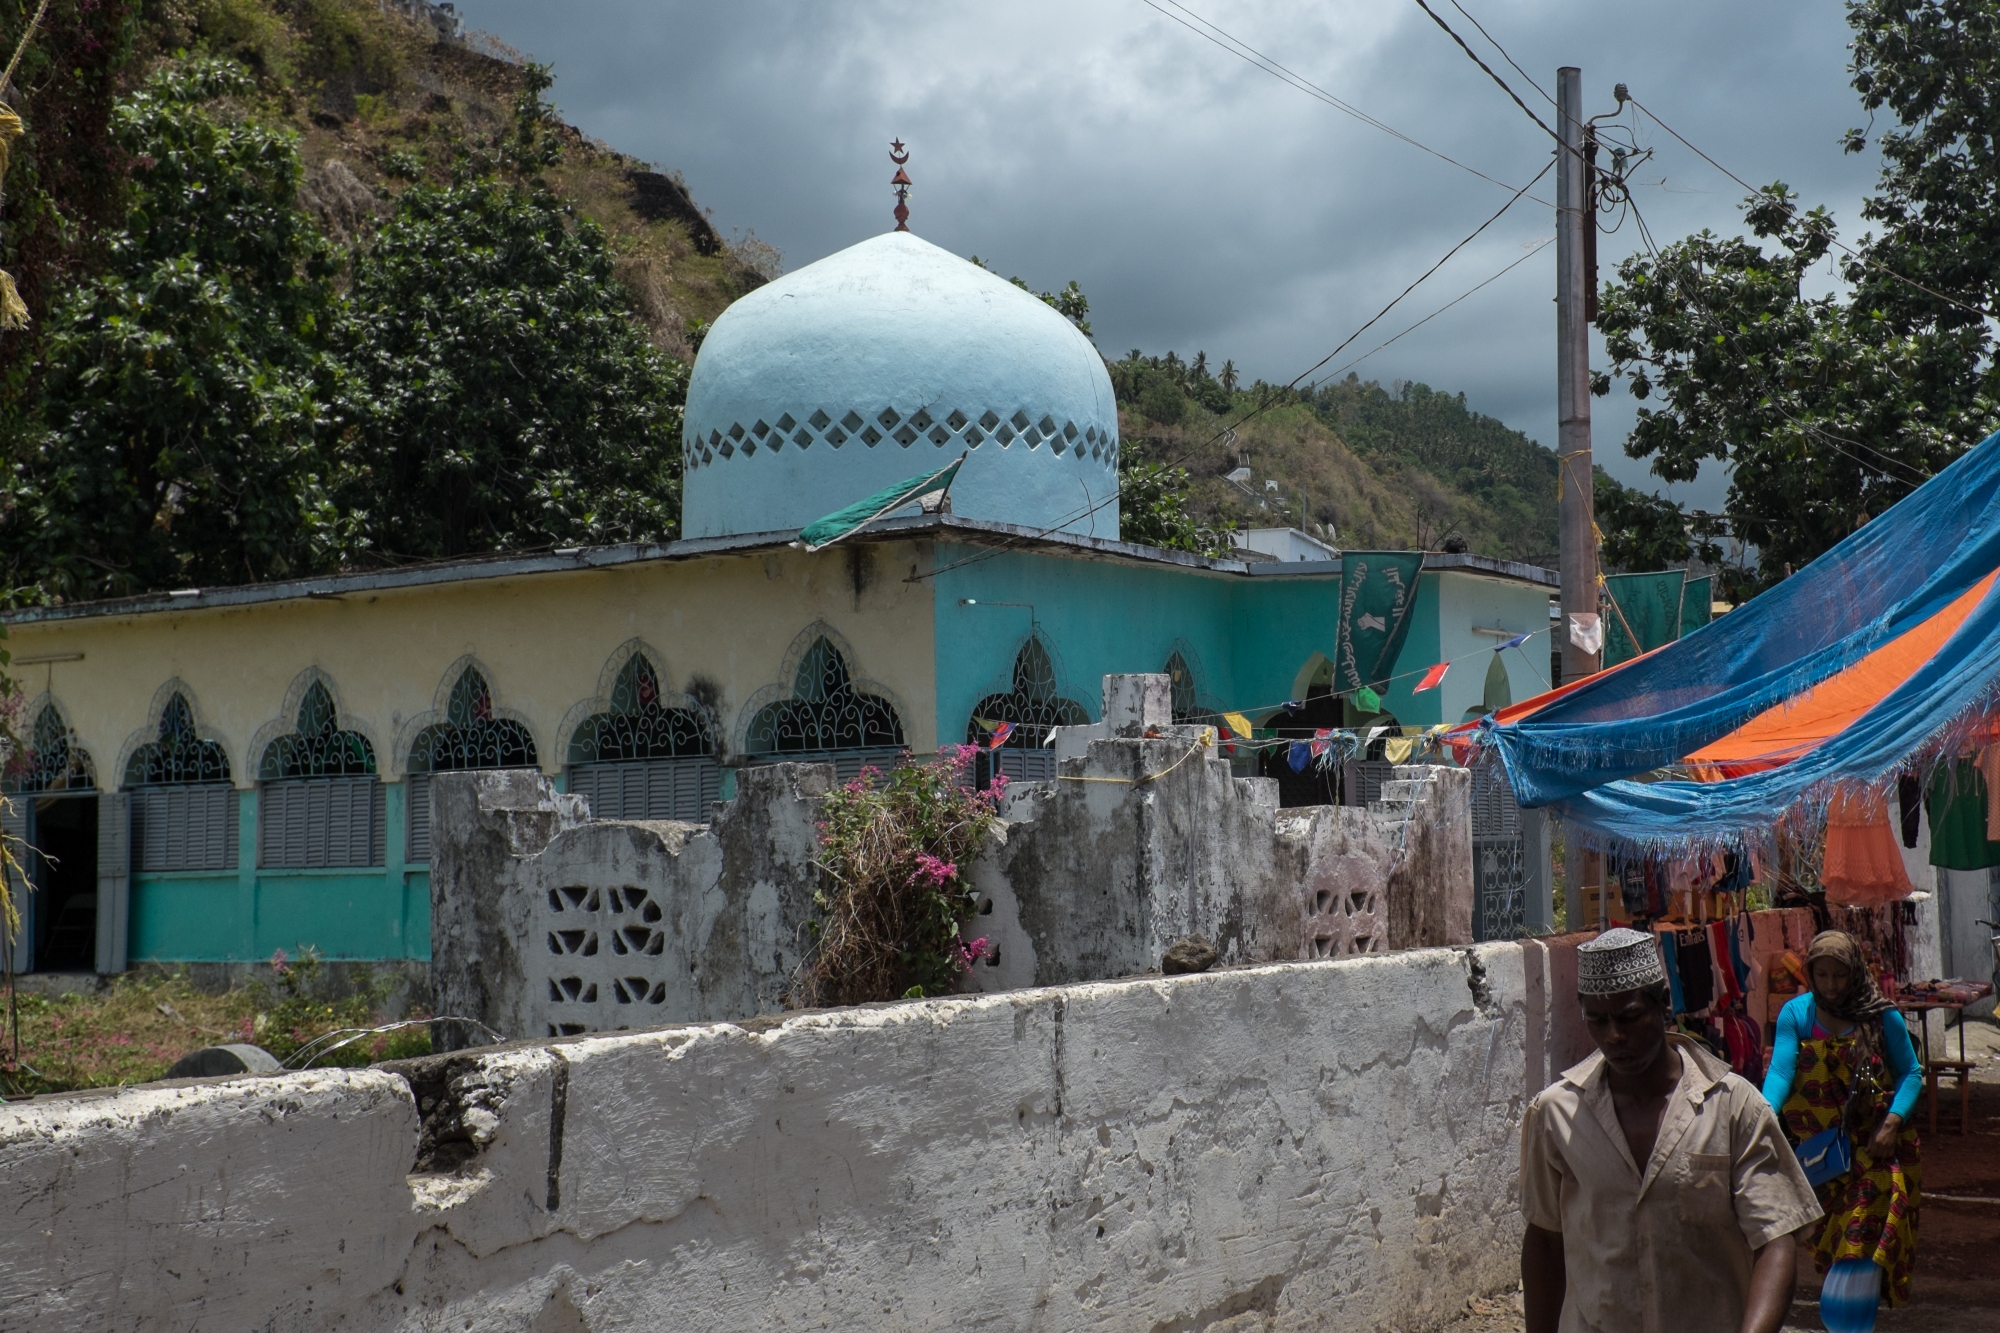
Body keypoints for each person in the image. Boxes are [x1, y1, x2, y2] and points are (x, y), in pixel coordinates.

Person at [1521, 927, 1823, 1333]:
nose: (1614, 1035)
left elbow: (1775, 1238)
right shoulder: (1556, 1114)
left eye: (1629, 1017)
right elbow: (1544, 1239)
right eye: (1597, 1020)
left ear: (1664, 1003)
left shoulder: (1734, 1107)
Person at [1761, 930, 1924, 1330]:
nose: (1831, 985)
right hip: (1821, 1156)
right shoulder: (1797, 1015)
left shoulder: (1881, 1016)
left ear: (1855, 972)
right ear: (1810, 974)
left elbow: (1911, 1073)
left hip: (1873, 1150)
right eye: (1822, 975)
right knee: (1834, 1248)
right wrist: (1762, 1113)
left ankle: (1846, 1324)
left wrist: (1892, 1123)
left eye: (1840, 975)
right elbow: (1781, 1070)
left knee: (1859, 1240)